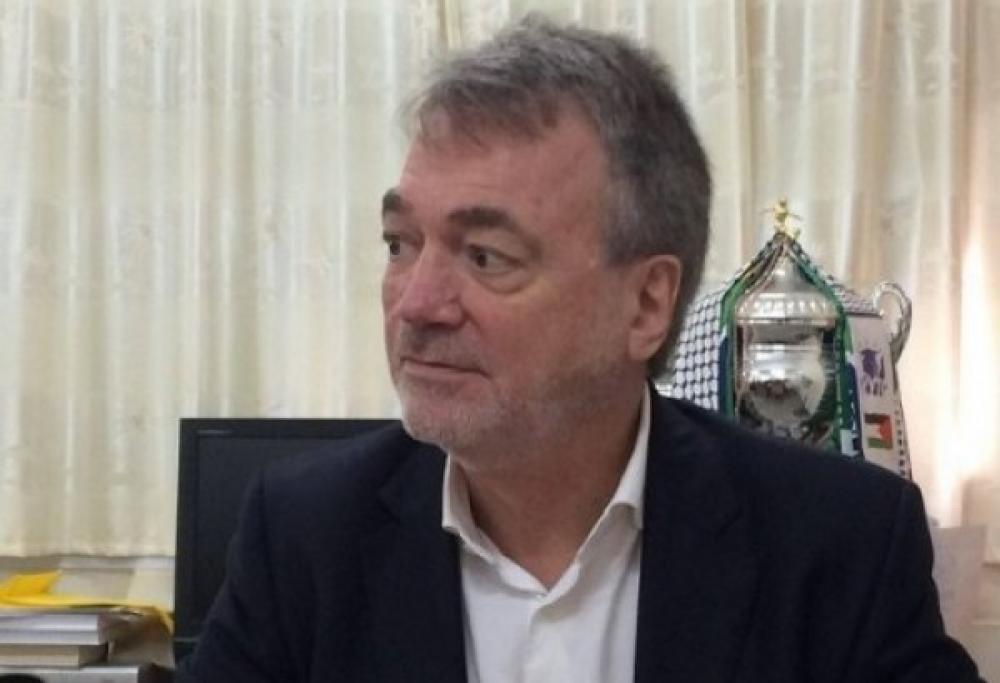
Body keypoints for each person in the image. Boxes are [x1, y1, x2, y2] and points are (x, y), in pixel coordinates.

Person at [177, 16, 982, 683]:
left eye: (485, 256)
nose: (416, 303)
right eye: (400, 243)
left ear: (647, 304)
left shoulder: (837, 545)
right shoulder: (304, 536)